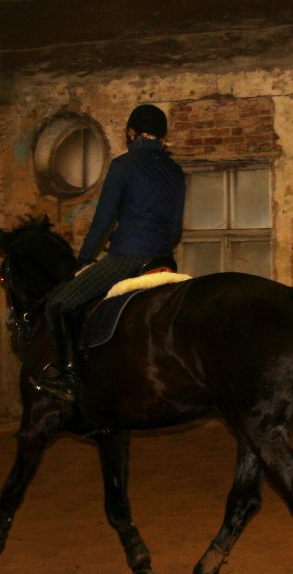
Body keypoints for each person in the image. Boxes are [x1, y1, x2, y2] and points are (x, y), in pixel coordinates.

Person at [33, 103, 187, 400]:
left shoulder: (123, 166)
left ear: (131, 133)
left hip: (128, 258)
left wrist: (85, 259)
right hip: (163, 260)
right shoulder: (176, 172)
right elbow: (175, 230)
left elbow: (103, 221)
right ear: (163, 136)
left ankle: (68, 376)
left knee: (60, 303)